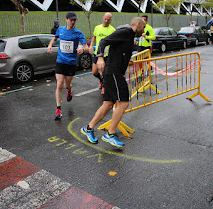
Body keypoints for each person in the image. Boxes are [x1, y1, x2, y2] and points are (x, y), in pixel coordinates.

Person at [81, 17, 146, 147]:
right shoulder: (126, 32)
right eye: (143, 27)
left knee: (108, 104)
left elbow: (118, 50)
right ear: (138, 24)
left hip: (113, 71)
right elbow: (104, 41)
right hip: (113, 72)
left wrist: (126, 61)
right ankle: (110, 134)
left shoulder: (129, 35)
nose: (143, 30)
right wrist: (100, 58)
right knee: (124, 102)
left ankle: (88, 128)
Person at [48, 11, 89, 120]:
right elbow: (55, 37)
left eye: (74, 20)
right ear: (66, 19)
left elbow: (87, 47)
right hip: (60, 61)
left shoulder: (78, 33)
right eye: (71, 19)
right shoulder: (60, 29)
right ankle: (58, 109)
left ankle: (69, 91)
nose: (73, 22)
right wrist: (50, 45)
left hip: (71, 63)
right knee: (59, 84)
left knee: (67, 85)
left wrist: (82, 48)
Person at [90, 12, 115, 95]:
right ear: (102, 18)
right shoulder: (97, 28)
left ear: (110, 20)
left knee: (104, 71)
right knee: (94, 72)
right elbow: (94, 37)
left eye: (108, 20)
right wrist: (90, 46)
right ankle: (101, 80)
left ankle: (104, 86)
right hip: (97, 52)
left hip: (106, 54)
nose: (106, 21)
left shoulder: (112, 30)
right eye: (105, 19)